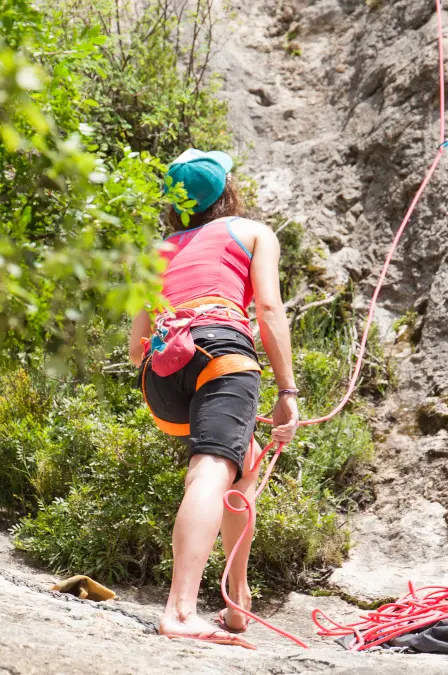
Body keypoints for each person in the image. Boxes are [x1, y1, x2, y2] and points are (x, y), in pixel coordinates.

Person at [128, 149, 300, 648]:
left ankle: (236, 599)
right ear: (226, 192)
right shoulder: (251, 232)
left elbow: (137, 339)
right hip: (222, 351)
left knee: (242, 462)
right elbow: (267, 306)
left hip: (161, 372)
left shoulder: (155, 251)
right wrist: (286, 391)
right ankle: (181, 610)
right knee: (211, 470)